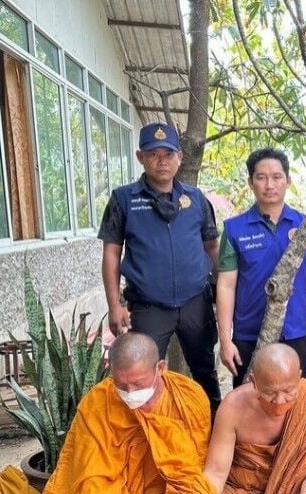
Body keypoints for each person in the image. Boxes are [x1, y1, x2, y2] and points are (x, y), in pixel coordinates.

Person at [98, 122, 222, 412]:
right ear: (141, 157)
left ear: (180, 156)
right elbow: (111, 254)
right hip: (148, 307)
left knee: (204, 370)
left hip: (195, 303)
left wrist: (225, 294)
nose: (162, 161)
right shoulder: (123, 200)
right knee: (144, 375)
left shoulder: (196, 199)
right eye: (154, 154)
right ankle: (148, 439)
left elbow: (212, 248)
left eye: (168, 154)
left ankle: (213, 430)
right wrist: (114, 305)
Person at [45, 333, 215, 493]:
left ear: (160, 368)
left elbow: (192, 470)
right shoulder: (98, 401)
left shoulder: (188, 397)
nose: (130, 393)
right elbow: (92, 475)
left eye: (138, 384)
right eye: (121, 385)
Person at [217, 148, 306, 388]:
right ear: (250, 182)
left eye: (277, 177)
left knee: (295, 403)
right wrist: (225, 339)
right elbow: (226, 285)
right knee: (251, 400)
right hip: (250, 336)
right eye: (261, 177)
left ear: (288, 181)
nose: (269, 185)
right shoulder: (235, 229)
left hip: (297, 333)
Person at [204, 343, 306, 493]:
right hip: (243, 488)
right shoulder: (233, 408)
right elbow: (216, 473)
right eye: (270, 392)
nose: (279, 400)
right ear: (254, 381)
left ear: (298, 377)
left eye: (288, 391)